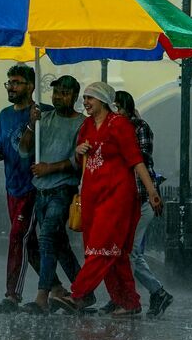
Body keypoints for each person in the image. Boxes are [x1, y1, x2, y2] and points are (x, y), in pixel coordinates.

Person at [54, 82, 163, 318]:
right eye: (84, 98)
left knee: (101, 250)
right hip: (92, 197)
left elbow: (136, 161)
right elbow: (77, 157)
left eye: (89, 98)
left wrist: (151, 191)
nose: (85, 102)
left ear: (102, 100)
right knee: (114, 253)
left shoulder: (120, 124)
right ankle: (129, 302)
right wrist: (79, 150)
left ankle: (78, 295)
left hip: (117, 197)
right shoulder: (86, 126)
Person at [0, 65, 64, 313]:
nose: (11, 87)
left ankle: (12, 295)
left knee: (17, 236)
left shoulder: (44, 113)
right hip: (12, 186)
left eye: (17, 82)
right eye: (9, 82)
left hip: (33, 186)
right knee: (28, 242)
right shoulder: (4, 116)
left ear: (31, 86)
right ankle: (57, 288)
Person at [16, 75, 85, 313]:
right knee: (59, 244)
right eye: (56, 93)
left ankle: (42, 297)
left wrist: (50, 168)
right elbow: (24, 151)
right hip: (41, 189)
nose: (58, 97)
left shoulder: (81, 125)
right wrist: (31, 124)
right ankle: (84, 291)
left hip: (62, 189)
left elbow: (78, 161)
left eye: (64, 93)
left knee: (47, 239)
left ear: (74, 96)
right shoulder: (43, 119)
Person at [112, 90, 174, 318]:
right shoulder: (112, 128)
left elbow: (140, 160)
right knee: (119, 251)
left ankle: (156, 292)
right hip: (122, 201)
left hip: (141, 199)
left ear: (125, 108)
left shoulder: (139, 128)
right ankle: (121, 296)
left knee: (131, 253)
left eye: (117, 107)